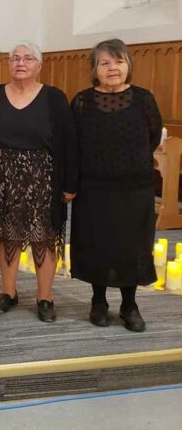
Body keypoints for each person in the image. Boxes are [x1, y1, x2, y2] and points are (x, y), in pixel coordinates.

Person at [0, 42, 78, 323]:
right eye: (15, 58)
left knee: (43, 237)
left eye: (28, 58)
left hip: (42, 178)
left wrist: (70, 183)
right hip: (1, 178)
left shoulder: (54, 98)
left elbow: (70, 142)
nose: (20, 63)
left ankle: (44, 297)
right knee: (8, 236)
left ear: (39, 65)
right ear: (9, 63)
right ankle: (8, 292)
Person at [70, 39, 162, 332]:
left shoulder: (144, 99)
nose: (112, 68)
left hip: (135, 189)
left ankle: (129, 305)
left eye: (119, 61)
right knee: (96, 242)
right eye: (105, 63)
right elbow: (73, 145)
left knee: (132, 245)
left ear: (128, 66)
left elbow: (152, 138)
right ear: (94, 69)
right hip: (93, 188)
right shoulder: (81, 102)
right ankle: (98, 301)